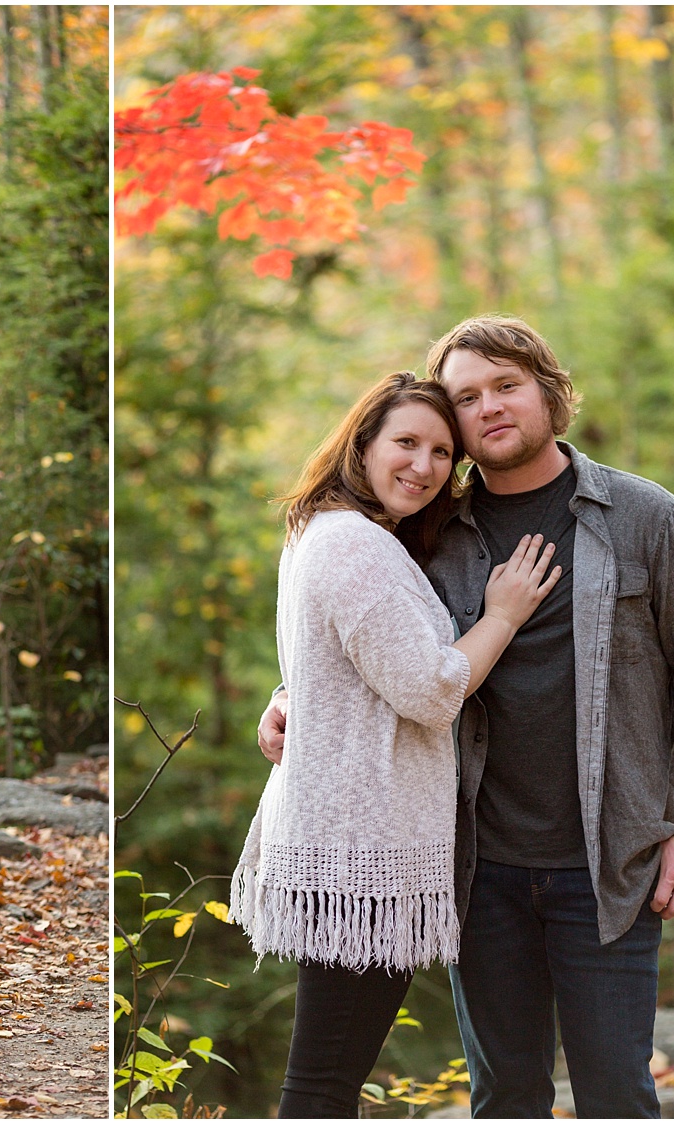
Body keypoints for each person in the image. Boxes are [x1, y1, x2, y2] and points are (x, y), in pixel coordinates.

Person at [259, 315, 674, 1118]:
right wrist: (289, 698)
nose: (489, 407)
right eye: (467, 397)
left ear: (549, 393)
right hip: (474, 865)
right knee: (505, 1096)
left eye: (506, 386)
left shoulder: (645, 517)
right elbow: (366, 643)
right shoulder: (429, 530)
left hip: (608, 863)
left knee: (618, 1091)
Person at [232, 372, 561, 1119]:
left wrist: (286, 701)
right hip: (360, 849)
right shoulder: (356, 545)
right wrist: (503, 615)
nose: (424, 465)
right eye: (405, 443)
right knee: (321, 1084)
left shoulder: (329, 530)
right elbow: (432, 688)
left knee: (325, 1077)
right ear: (362, 443)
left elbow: (333, 667)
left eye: (444, 452)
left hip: (343, 833)